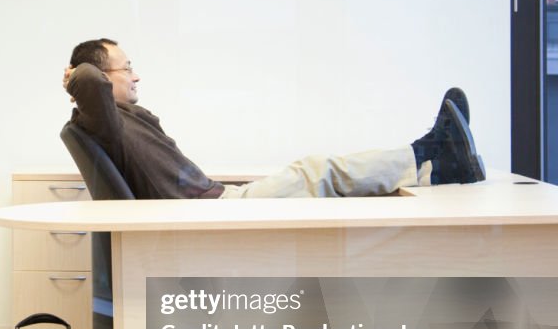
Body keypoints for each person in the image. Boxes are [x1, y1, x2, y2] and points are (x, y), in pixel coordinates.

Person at [62, 37, 485, 200]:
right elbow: (86, 82)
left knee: (312, 172)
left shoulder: (122, 118)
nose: (136, 75)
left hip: (214, 202)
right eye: (126, 67)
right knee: (317, 170)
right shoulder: (102, 121)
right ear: (101, 77)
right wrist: (79, 75)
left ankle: (430, 164)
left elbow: (92, 84)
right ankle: (428, 156)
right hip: (206, 213)